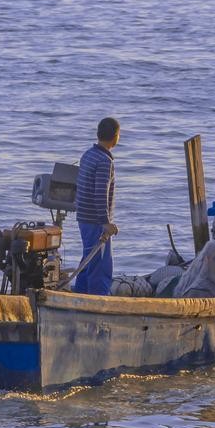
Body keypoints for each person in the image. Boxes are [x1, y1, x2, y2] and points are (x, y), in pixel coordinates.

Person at [73, 117, 120, 295]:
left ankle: (80, 295)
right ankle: (98, 302)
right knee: (100, 266)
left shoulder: (88, 154)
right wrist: (106, 223)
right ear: (116, 137)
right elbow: (100, 194)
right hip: (95, 220)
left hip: (83, 217)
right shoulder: (105, 161)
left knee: (88, 260)